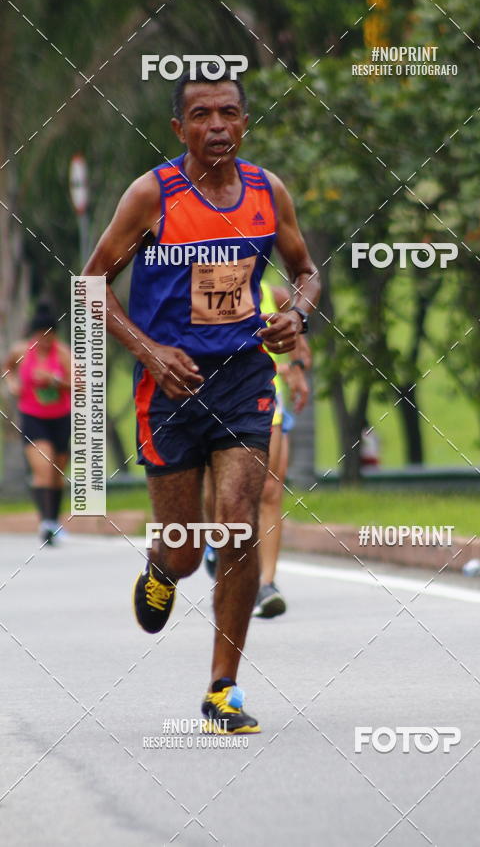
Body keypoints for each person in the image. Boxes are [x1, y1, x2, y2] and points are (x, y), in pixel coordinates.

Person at [83, 67, 320, 734]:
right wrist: (150, 352)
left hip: (244, 375)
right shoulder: (150, 197)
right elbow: (92, 283)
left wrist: (297, 313)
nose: (218, 125)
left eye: (231, 113)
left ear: (245, 121)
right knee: (187, 549)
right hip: (170, 387)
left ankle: (223, 690)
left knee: (239, 523)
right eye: (203, 114)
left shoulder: (266, 193)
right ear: (178, 128)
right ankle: (163, 566)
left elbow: (305, 270)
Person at [203, 281, 312, 621]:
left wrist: (295, 370)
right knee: (218, 493)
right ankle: (216, 545)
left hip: (264, 400)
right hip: (212, 400)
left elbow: (300, 349)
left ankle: (266, 583)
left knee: (268, 490)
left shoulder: (273, 295)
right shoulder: (196, 288)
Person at [3, 302, 71, 546]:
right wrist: (11, 383)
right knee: (43, 468)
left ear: (54, 335)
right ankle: (45, 523)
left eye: (48, 335)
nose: (44, 340)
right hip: (33, 417)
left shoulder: (63, 354)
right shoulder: (21, 350)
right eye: (39, 335)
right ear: (32, 335)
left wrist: (54, 381)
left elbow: (78, 385)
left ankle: (53, 520)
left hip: (61, 417)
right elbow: (7, 369)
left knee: (57, 473)